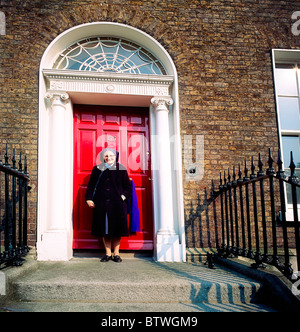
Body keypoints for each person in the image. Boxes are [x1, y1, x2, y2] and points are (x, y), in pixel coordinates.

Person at [85, 148, 132, 263]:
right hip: (101, 204)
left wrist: (123, 196)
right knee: (104, 229)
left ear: (115, 156)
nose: (108, 158)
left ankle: (116, 254)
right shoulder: (97, 169)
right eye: (106, 156)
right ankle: (107, 254)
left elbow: (128, 187)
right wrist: (88, 198)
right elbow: (91, 185)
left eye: (111, 155)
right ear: (103, 157)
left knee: (117, 229)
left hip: (118, 205)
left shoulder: (121, 169)